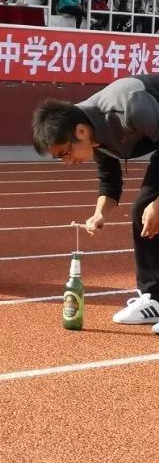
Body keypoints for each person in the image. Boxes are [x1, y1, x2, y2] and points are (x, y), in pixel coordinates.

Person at [32, 81, 159, 335]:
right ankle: (153, 298)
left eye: (64, 154)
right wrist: (100, 213)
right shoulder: (92, 130)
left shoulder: (131, 106)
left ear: (79, 131)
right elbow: (109, 181)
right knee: (142, 211)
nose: (66, 162)